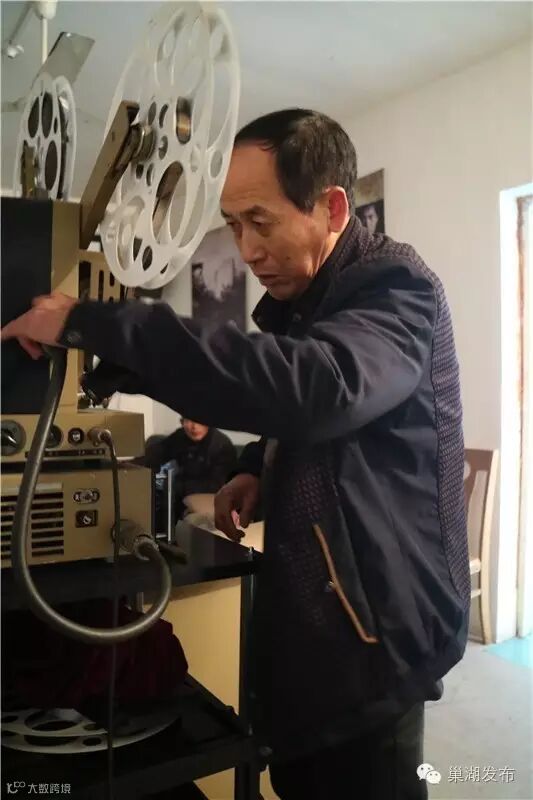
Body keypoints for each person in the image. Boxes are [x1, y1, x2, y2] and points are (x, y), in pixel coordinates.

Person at [1, 108, 469, 800]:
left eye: (260, 221)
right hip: (326, 620)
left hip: (378, 635)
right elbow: (313, 414)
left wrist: (95, 323)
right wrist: (257, 467)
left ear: (332, 208)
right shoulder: (313, 302)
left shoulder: (397, 287)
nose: (246, 249)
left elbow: (321, 389)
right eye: (233, 224)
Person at [141, 418, 237, 523]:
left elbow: (217, 484)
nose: (194, 427)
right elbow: (159, 450)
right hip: (176, 493)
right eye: (188, 421)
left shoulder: (222, 445)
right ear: (182, 422)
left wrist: (174, 485)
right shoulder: (181, 436)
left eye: (199, 420)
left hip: (206, 495)